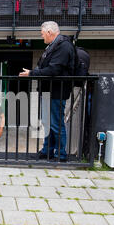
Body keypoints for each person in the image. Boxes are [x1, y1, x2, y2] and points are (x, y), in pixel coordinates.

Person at [19, 21, 73, 162]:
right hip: (49, 91)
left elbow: (54, 70)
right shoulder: (54, 45)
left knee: (56, 124)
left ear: (49, 32)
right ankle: (47, 151)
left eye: (43, 34)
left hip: (56, 91)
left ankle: (60, 155)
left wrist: (32, 73)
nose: (42, 37)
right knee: (48, 124)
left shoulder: (64, 46)